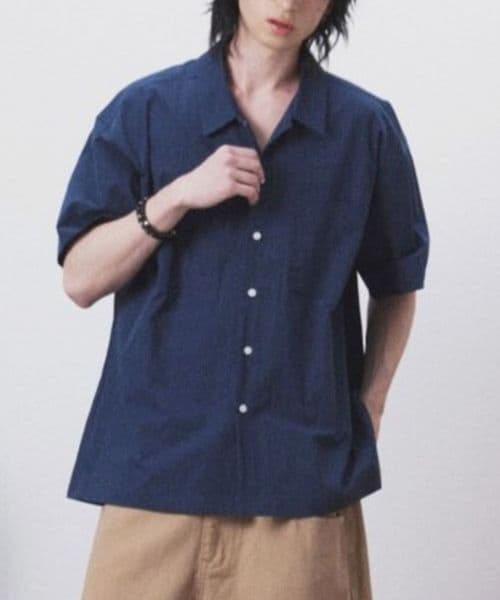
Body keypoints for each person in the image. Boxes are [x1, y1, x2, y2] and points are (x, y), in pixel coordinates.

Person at [55, 0, 430, 598]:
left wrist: (371, 408)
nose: (287, 3)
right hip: (152, 477)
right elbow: (80, 279)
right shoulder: (147, 109)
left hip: (299, 485)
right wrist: (175, 197)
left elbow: (397, 284)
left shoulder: (364, 128)